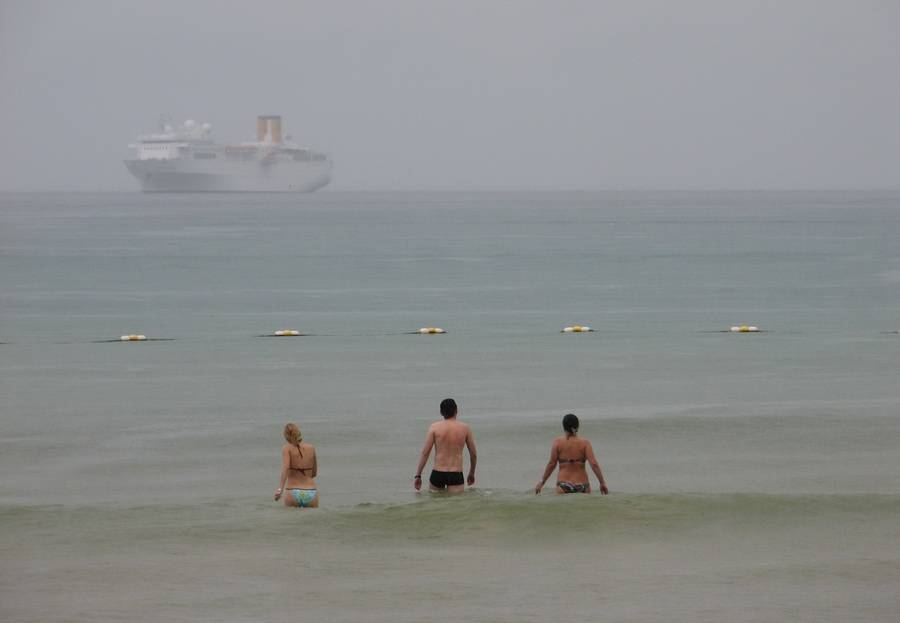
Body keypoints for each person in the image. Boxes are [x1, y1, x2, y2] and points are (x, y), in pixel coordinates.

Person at [534, 413, 609, 495]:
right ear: (577, 426)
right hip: (582, 485)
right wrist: (602, 482)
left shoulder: (557, 443)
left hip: (563, 485)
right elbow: (594, 464)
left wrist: (542, 482)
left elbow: (551, 464)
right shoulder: (585, 443)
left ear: (563, 427)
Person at [414, 398, 477, 493]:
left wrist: (418, 475)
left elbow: (425, 453)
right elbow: (473, 454)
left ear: (441, 412)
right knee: (455, 505)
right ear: (456, 410)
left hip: (437, 473)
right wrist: (471, 473)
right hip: (456, 474)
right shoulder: (465, 428)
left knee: (436, 506)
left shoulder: (434, 427)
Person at [274, 423, 319, 508]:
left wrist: (280, 489)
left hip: (293, 491)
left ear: (286, 436)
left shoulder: (286, 448)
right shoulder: (312, 448)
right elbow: (314, 473)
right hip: (311, 492)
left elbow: (286, 468)